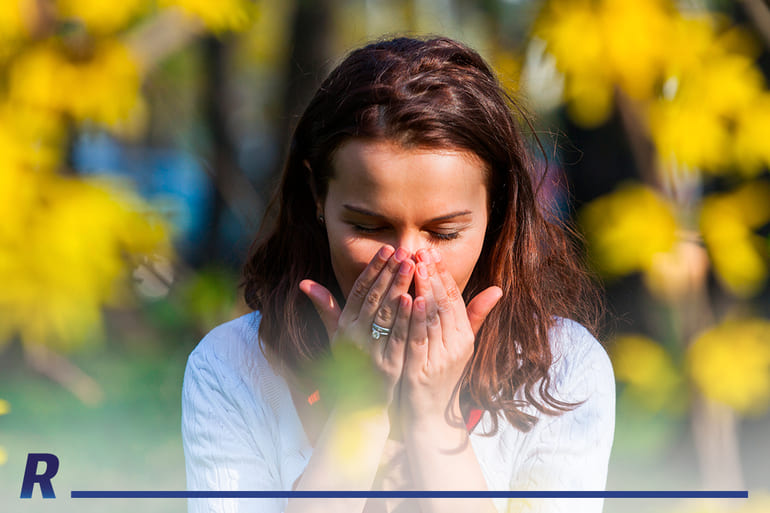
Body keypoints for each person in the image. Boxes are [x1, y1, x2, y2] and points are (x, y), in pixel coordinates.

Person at [182, 36, 615, 513]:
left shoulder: (563, 372)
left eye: (445, 232)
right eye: (368, 227)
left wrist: (434, 421)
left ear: (495, 210)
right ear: (317, 198)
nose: (408, 262)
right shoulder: (233, 368)